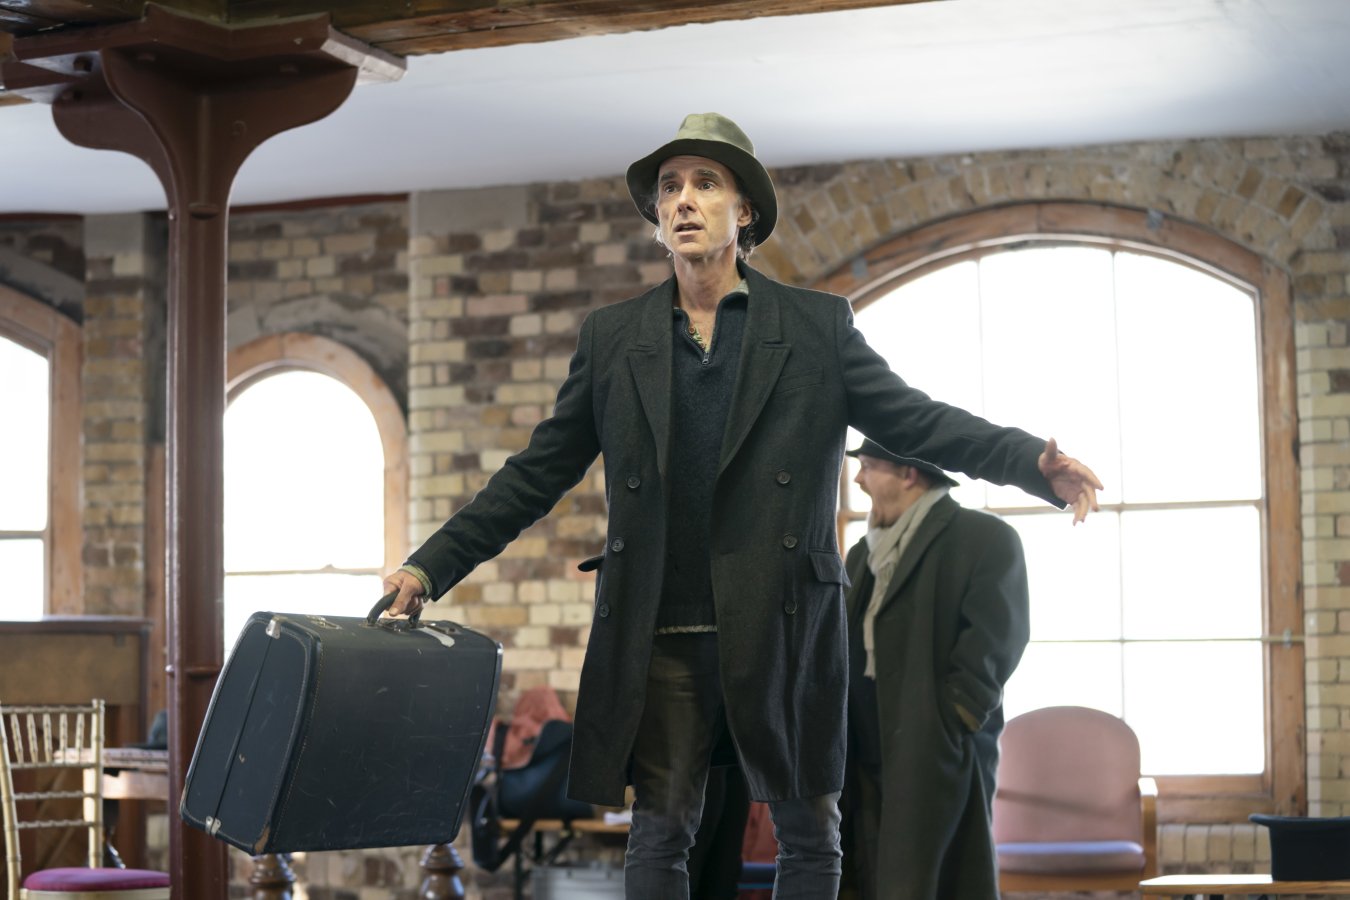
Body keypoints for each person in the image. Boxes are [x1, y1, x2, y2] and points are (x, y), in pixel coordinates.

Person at [383, 111, 1102, 900]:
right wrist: (428, 567)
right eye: (668, 187)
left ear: (745, 210)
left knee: (809, 833)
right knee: (660, 833)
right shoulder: (614, 339)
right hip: (662, 632)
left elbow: (916, 420)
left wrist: (1030, 462)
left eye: (705, 183)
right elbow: (533, 474)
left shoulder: (815, 328)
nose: (682, 200)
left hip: (786, 622)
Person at [839, 440, 1029, 900]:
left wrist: (955, 717)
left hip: (939, 744)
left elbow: (997, 639)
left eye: (869, 467)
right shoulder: (863, 554)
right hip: (864, 746)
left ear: (909, 475)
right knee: (869, 873)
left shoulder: (984, 538)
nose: (860, 480)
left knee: (941, 879)